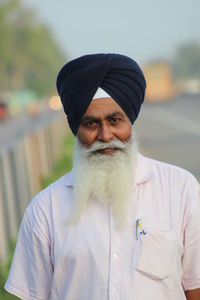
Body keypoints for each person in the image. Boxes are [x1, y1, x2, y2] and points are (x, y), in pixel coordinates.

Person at [5, 53, 200, 300]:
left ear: (130, 120)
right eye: (90, 123)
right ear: (76, 129)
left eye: (115, 120)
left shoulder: (180, 190)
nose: (106, 135)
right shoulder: (45, 209)